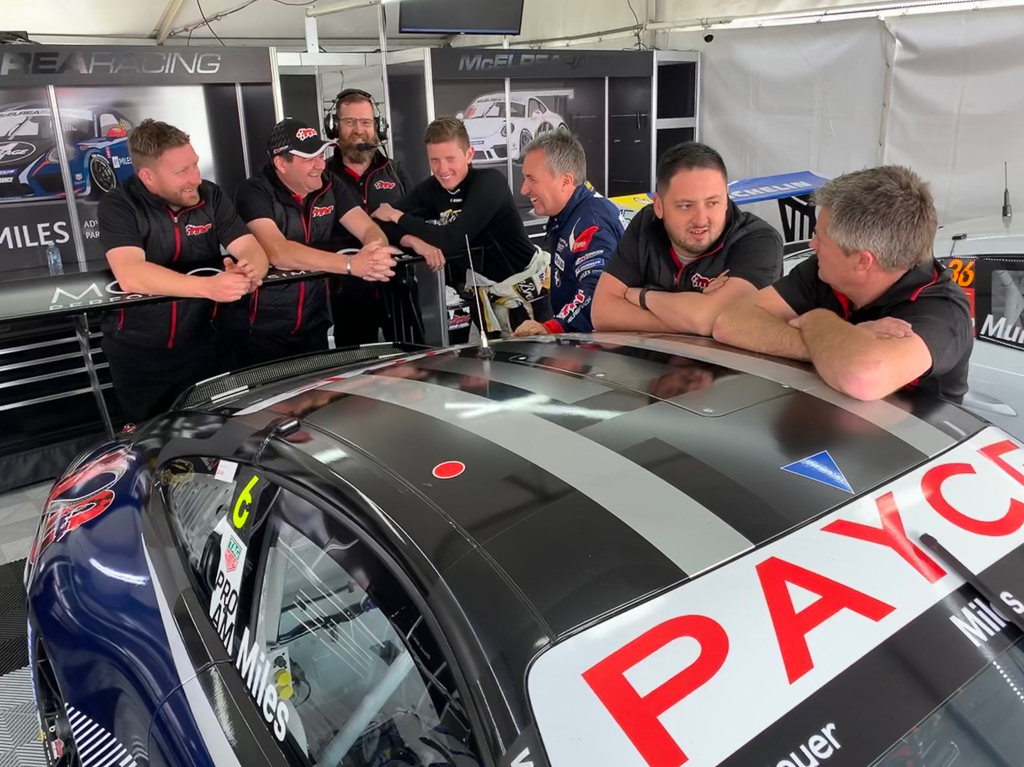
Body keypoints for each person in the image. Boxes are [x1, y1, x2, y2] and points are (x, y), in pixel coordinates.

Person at [712, 166, 973, 402]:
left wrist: (814, 320)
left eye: (820, 239)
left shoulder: (942, 312)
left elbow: (862, 378)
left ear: (862, 261)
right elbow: (730, 322)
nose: (812, 246)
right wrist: (835, 344)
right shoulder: (825, 271)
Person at [98, 119, 269, 424]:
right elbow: (131, 274)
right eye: (182, 171)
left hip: (203, 342)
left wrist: (249, 271)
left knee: (212, 433)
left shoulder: (211, 196)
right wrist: (209, 287)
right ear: (148, 177)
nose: (195, 178)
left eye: (195, 165)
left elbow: (251, 247)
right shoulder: (119, 204)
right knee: (151, 444)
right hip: (140, 352)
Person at [230, 118, 399, 366]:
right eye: (309, 158)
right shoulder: (253, 191)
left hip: (314, 323)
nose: (320, 165)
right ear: (280, 163)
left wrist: (375, 253)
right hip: (261, 331)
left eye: (321, 155)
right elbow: (278, 252)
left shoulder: (330, 183)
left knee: (316, 401)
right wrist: (352, 264)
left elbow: (368, 229)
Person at [371, 116, 549, 335]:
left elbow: (453, 240)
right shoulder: (432, 189)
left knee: (536, 362)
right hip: (482, 297)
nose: (442, 168)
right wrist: (415, 243)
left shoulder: (490, 183)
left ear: (469, 155)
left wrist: (399, 217)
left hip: (526, 294)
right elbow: (379, 221)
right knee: (496, 364)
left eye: (450, 158)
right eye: (434, 160)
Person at [591, 142, 783, 336]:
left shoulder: (759, 240)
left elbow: (708, 320)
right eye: (685, 206)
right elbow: (601, 313)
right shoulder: (645, 225)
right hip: (651, 362)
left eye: (712, 203)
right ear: (659, 206)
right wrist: (692, 313)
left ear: (726, 199)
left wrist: (643, 296)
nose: (701, 219)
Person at [325, 89, 424, 347]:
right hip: (347, 291)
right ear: (334, 127)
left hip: (398, 286)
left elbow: (415, 220)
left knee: (411, 361)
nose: (359, 129)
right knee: (356, 371)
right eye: (350, 122)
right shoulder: (322, 178)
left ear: (377, 127)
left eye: (366, 122)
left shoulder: (395, 172)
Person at [512, 130, 624, 336]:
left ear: (566, 180)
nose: (523, 189)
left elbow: (598, 291)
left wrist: (553, 327)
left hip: (595, 350)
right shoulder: (574, 213)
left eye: (532, 179)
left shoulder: (591, 222)